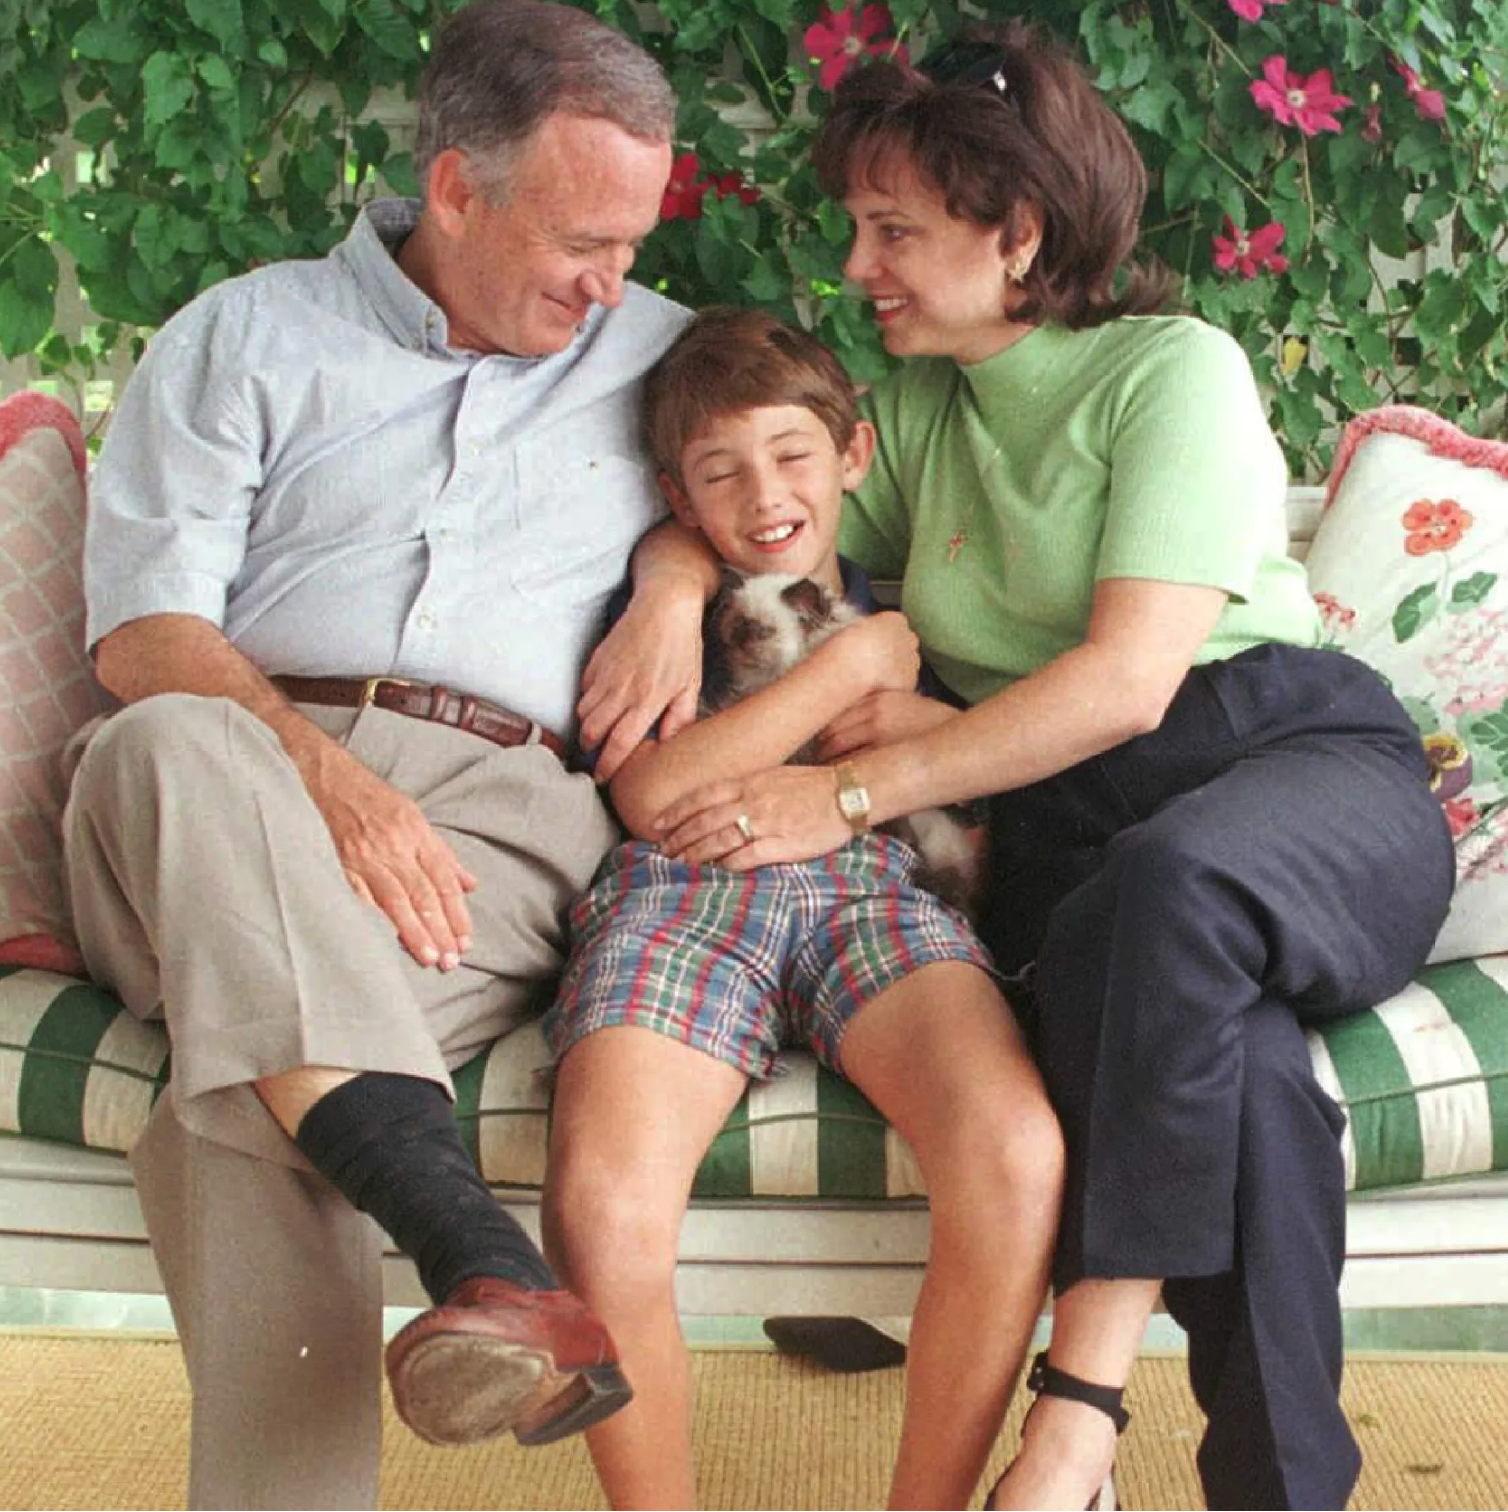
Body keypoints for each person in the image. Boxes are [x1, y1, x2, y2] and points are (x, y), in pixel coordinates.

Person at [582, 23, 1456, 1512]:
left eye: (895, 232)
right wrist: (672, 581)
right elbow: (766, 502)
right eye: (862, 229)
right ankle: (1285, 1491)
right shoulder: (915, 411)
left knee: (1169, 891)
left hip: (1287, 769)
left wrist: (852, 791)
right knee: (1236, 1075)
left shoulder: (1170, 371)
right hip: (1077, 844)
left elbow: (1128, 685)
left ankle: (1077, 1420)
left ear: (1019, 231)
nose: (861, 268)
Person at [59, 3, 696, 1506]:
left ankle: (483, 1276)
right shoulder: (247, 333)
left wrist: (673, 573)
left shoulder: (665, 356)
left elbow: (792, 493)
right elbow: (145, 629)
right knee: (171, 741)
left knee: (254, 1088)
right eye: (581, 242)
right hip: (201, 799)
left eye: (634, 245)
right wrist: (320, 779)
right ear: (459, 188)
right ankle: (476, 1250)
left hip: (495, 828)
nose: (614, 286)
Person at [540, 304, 1063, 1512]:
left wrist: (881, 656)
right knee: (603, 1198)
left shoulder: (921, 589)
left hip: (875, 889)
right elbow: (656, 794)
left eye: (789, 455)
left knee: (1015, 1150)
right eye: (718, 473)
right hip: (687, 890)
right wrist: (846, 663)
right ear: (677, 497)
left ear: (853, 456)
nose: (761, 494)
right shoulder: (667, 619)